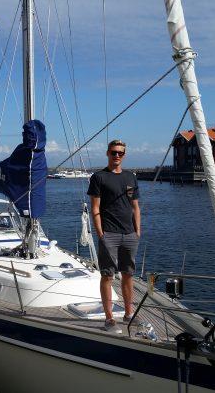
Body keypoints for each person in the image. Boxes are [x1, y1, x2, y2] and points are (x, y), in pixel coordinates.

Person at [87, 139, 141, 334]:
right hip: (109, 233)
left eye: (120, 153)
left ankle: (129, 313)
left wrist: (137, 231)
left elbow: (135, 206)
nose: (116, 155)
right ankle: (109, 318)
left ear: (124, 155)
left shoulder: (130, 177)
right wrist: (100, 233)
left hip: (129, 234)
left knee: (128, 275)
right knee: (107, 275)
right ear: (107, 153)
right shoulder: (99, 177)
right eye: (113, 152)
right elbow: (95, 208)